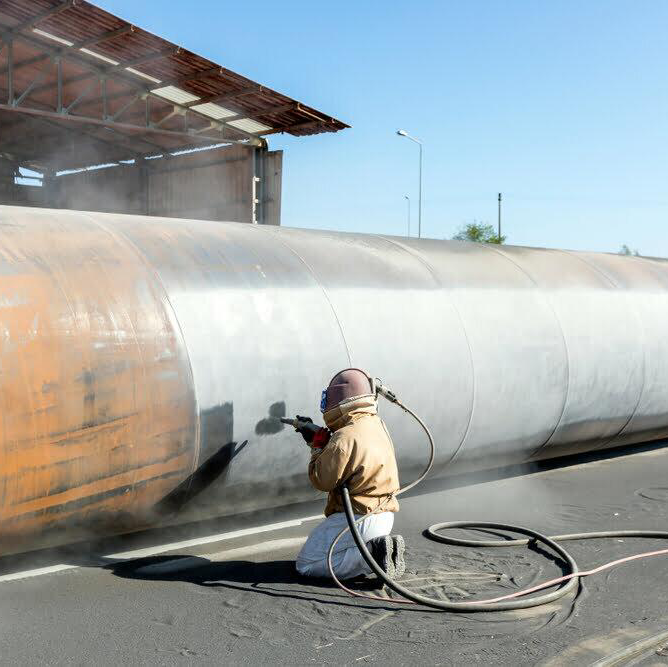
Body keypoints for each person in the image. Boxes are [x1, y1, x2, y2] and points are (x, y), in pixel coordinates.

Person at [294, 368, 405, 580]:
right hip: (383, 515)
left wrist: (316, 449)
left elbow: (322, 480)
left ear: (339, 401)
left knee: (306, 564)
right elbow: (354, 458)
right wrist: (323, 444)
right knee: (331, 552)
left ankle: (372, 555)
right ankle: (377, 549)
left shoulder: (344, 436)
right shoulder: (376, 424)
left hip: (358, 518)